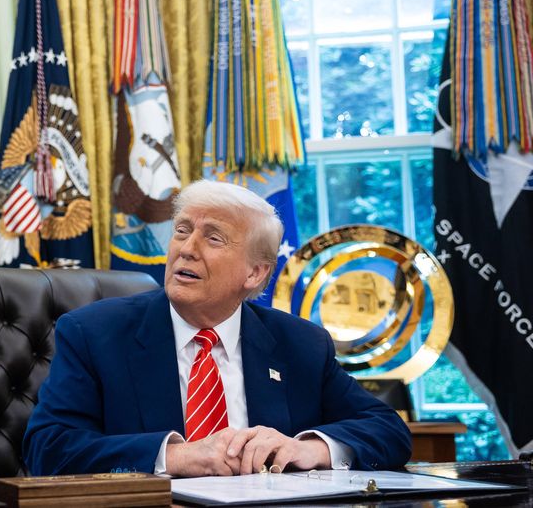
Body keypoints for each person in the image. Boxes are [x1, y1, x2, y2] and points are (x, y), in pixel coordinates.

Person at [24, 180, 410, 477]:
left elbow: (387, 430)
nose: (187, 248)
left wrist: (309, 448)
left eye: (213, 237)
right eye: (182, 230)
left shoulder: (300, 344)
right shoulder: (94, 334)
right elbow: (48, 449)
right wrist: (177, 456)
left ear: (254, 273)